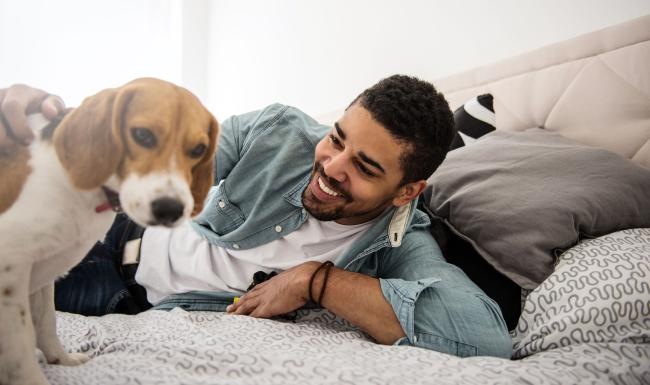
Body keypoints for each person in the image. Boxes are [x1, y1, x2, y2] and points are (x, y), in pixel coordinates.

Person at [0, 75, 512, 358]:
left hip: (122, 297)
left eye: (364, 166)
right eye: (336, 138)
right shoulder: (276, 131)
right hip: (115, 226)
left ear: (407, 191)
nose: (331, 167)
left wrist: (318, 282)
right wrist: (51, 118)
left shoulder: (402, 244)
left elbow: (485, 335)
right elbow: (171, 153)